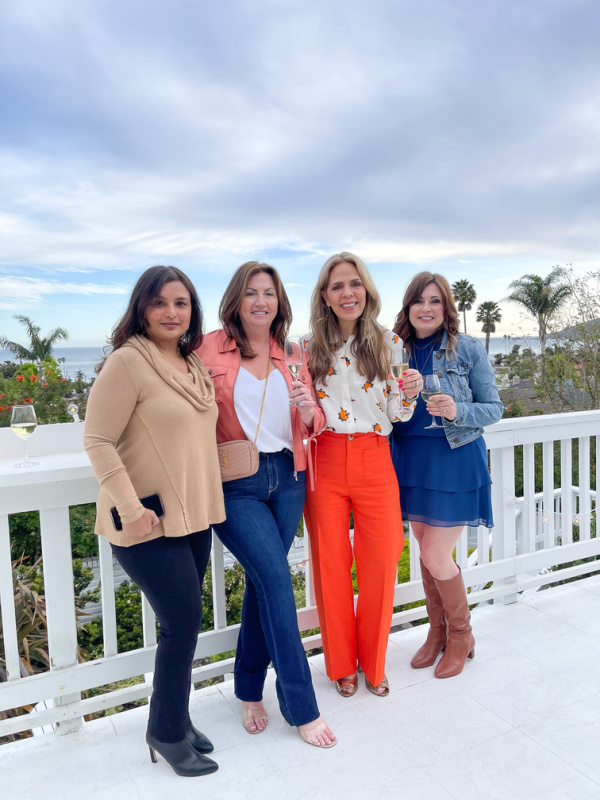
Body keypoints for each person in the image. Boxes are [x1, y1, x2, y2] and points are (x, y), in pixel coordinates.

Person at [84, 266, 225, 777]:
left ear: (192, 311)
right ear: (142, 308)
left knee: (183, 623)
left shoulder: (191, 364)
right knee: (183, 621)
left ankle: (176, 720)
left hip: (192, 515)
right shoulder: (128, 363)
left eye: (181, 303)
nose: (171, 312)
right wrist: (129, 505)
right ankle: (165, 733)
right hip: (146, 519)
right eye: (160, 303)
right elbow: (97, 439)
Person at [197, 261, 337, 749]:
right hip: (237, 481)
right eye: (252, 292)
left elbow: (316, 419)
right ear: (236, 299)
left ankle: (248, 690)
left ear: (280, 302)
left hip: (290, 477)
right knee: (277, 578)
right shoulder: (208, 346)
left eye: (270, 293)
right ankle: (301, 706)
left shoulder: (292, 352)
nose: (262, 301)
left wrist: (306, 408)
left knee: (264, 584)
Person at [303, 252, 421, 698]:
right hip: (326, 458)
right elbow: (305, 408)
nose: (347, 292)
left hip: (375, 456)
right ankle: (340, 666)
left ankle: (373, 663)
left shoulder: (389, 343)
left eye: (354, 283)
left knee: (381, 562)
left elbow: (396, 413)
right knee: (330, 566)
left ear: (366, 290)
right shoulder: (309, 346)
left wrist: (409, 395)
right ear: (325, 296)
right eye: (337, 286)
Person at [391, 272, 503, 678]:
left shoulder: (468, 348)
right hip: (411, 460)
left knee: (437, 554)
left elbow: (494, 408)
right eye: (418, 301)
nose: (426, 308)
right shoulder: (394, 350)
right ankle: (436, 632)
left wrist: (458, 411)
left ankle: (461, 634)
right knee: (424, 550)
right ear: (408, 307)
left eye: (435, 301)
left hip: (454, 459)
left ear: (446, 307)